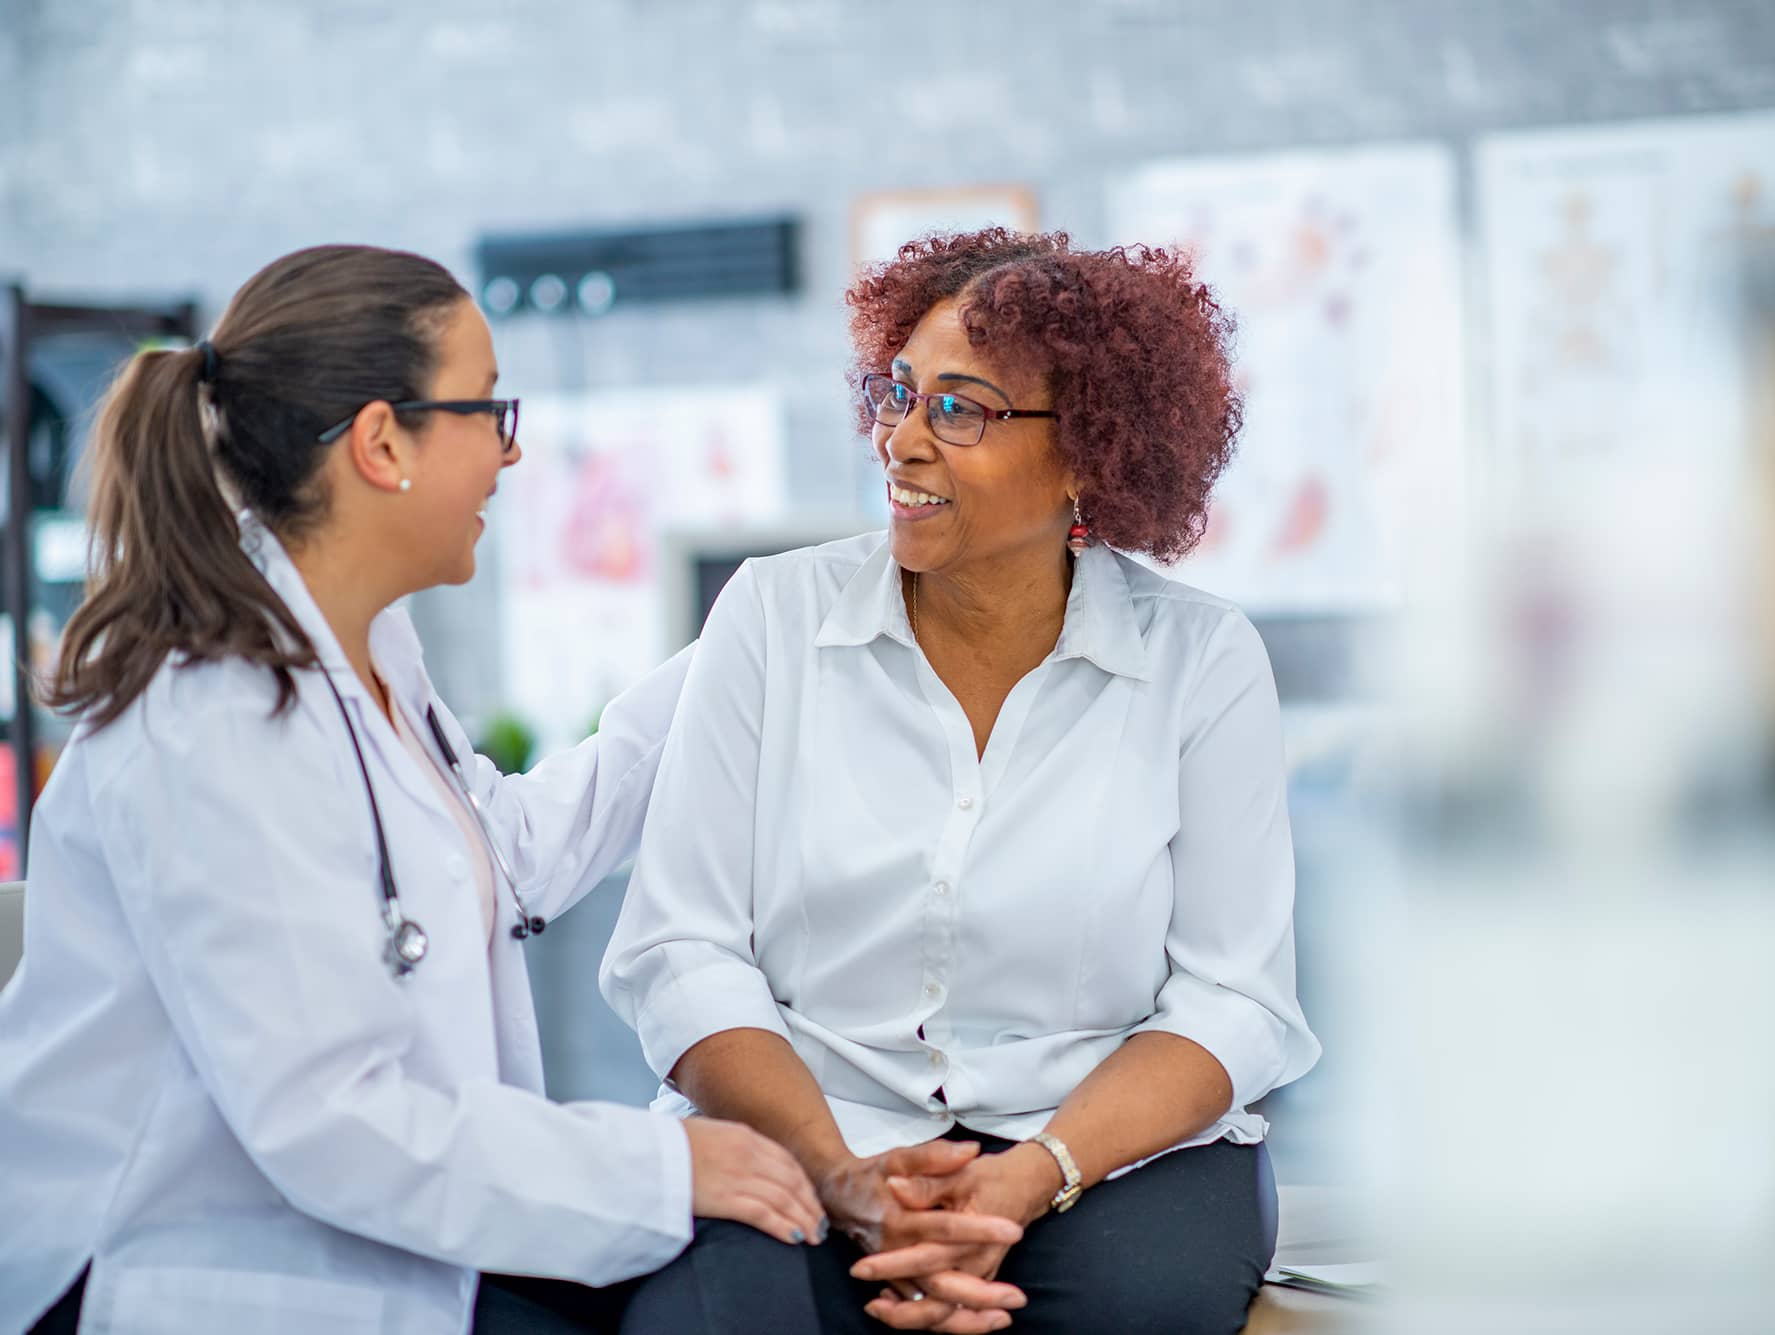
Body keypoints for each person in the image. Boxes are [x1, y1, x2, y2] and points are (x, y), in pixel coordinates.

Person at [0, 244, 1018, 1335]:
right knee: (736, 1259)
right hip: (191, 1266)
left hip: (372, 1225)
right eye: (488, 409)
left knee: (744, 1265)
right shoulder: (214, 721)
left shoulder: (367, 648)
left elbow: (500, 854)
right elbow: (332, 1124)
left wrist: (760, 634)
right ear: (383, 442)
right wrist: (658, 1164)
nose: (512, 450)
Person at [602, 229, 1321, 1334]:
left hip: (1096, 1150)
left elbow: (1233, 998)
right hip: (807, 1126)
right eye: (899, 394)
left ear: (1090, 452)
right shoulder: (770, 616)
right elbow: (681, 949)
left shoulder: (1199, 660)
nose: (899, 440)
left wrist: (1027, 1178)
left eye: (960, 409)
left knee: (1139, 1309)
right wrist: (843, 1178)